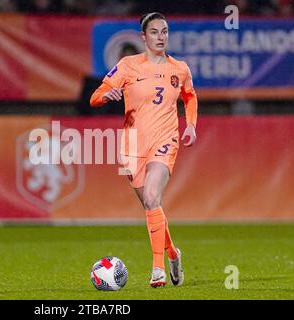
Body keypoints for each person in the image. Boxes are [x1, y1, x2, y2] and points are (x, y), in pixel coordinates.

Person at [89, 12, 198, 287]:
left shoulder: (180, 68)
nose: (160, 37)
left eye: (164, 31)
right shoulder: (127, 66)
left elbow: (190, 97)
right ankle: (173, 253)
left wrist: (191, 125)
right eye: (154, 32)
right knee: (151, 205)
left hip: (165, 139)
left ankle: (158, 269)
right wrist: (107, 96)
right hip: (132, 145)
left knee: (152, 197)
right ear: (144, 37)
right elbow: (94, 98)